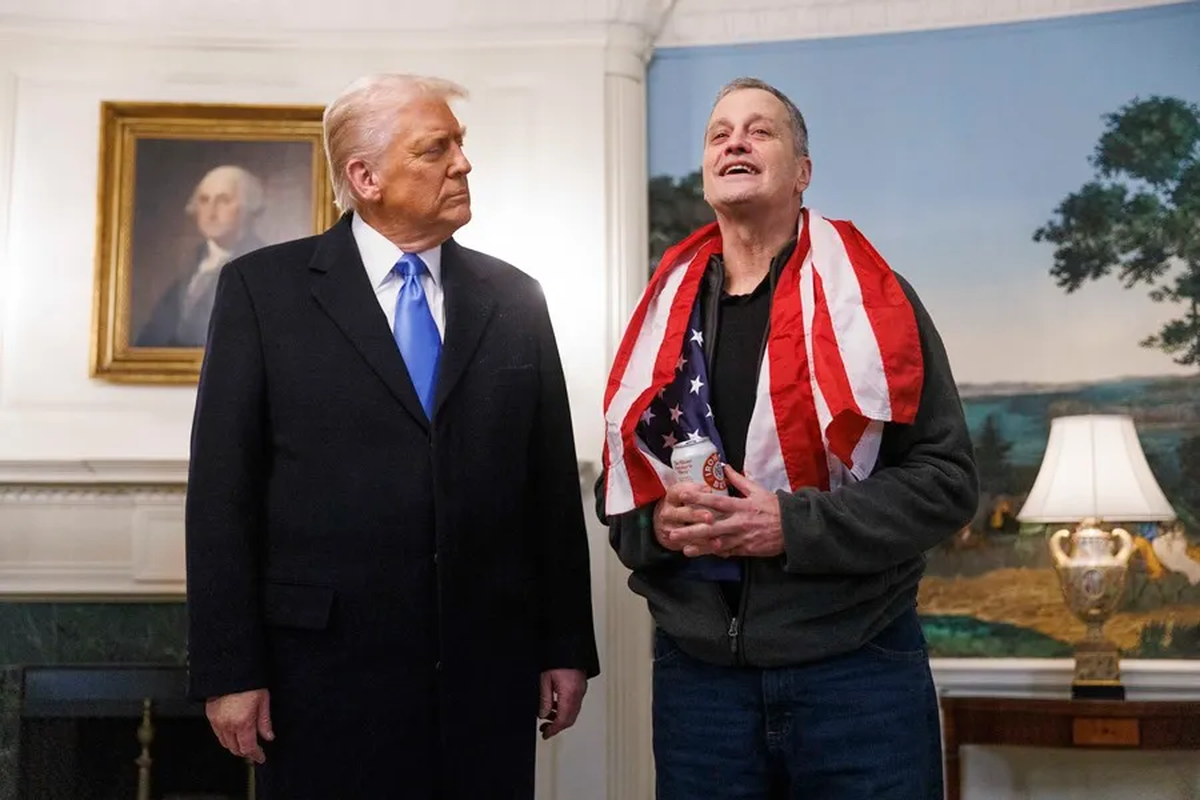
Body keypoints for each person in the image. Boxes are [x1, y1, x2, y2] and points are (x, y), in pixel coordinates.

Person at [185, 73, 600, 800]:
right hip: (320, 681)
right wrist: (229, 670)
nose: (463, 164)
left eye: (460, 146)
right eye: (436, 149)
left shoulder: (516, 297)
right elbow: (223, 494)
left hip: (487, 678)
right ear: (365, 176)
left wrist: (566, 646)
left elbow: (550, 493)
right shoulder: (263, 291)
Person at [597, 77, 978, 799]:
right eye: (719, 134)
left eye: (759, 130)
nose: (734, 141)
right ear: (708, 172)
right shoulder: (660, 321)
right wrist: (658, 523)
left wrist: (790, 526)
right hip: (699, 686)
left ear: (803, 173)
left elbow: (947, 481)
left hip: (856, 671)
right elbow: (616, 493)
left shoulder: (874, 304)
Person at [137, 165, 266, 347]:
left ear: (247, 207)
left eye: (223, 200)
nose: (211, 212)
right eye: (204, 200)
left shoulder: (263, 265)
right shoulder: (188, 266)